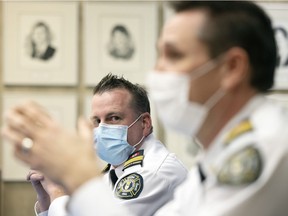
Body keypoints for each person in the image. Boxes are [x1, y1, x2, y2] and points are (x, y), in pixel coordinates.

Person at [3, 1, 288, 216]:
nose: (157, 71)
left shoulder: (264, 149)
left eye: (173, 55)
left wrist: (73, 178)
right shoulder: (219, 155)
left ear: (232, 68)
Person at [25, 74, 187, 216]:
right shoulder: (116, 167)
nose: (101, 128)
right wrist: (47, 202)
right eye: (97, 120)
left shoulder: (153, 171)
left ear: (144, 123)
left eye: (114, 118)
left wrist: (57, 192)